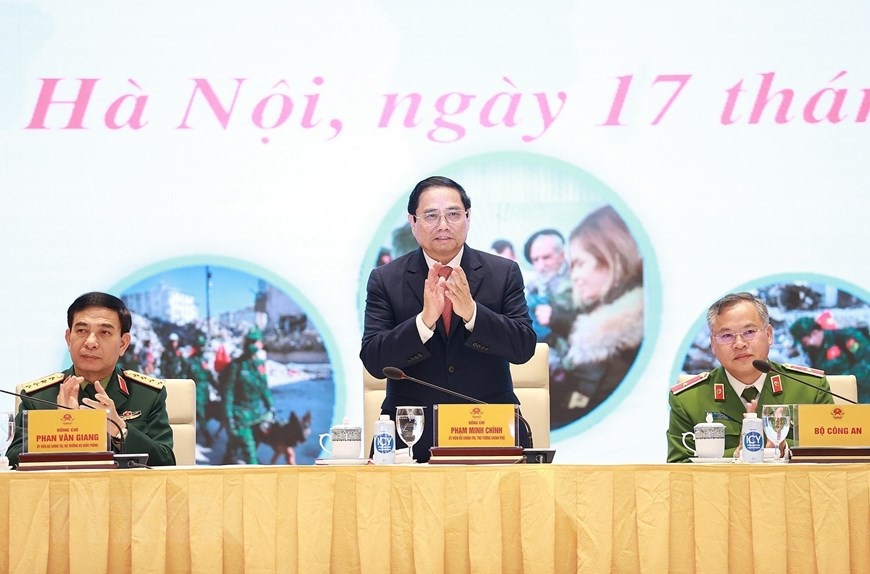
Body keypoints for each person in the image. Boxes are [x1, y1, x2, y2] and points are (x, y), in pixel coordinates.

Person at [360, 176, 537, 462]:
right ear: (413, 222)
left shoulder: (503, 273)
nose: (443, 225)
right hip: (411, 436)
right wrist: (424, 322)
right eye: (431, 216)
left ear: (468, 218)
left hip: (487, 430)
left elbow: (523, 347)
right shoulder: (386, 279)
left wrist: (472, 313)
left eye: (453, 214)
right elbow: (373, 360)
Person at [7, 292, 176, 467]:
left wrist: (119, 429)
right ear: (68, 338)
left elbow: (165, 462)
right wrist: (61, 429)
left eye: (104, 332)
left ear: (123, 344)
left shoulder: (148, 395)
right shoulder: (37, 397)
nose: (90, 342)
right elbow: (11, 461)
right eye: (82, 331)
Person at [667, 292, 835, 463]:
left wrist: (784, 450)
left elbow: (834, 456)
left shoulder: (810, 389)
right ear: (713, 345)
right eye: (726, 336)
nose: (739, 344)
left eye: (749, 332)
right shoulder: (687, 400)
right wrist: (736, 457)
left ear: (769, 334)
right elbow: (677, 469)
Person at [552, 206, 643, 428]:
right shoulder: (603, 321)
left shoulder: (613, 338)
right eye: (571, 267)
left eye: (580, 264)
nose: (574, 276)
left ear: (613, 259)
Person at [221, 327, 275, 464]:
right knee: (249, 451)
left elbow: (263, 387)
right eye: (251, 342)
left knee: (242, 444)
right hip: (240, 415)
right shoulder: (236, 365)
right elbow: (228, 393)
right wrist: (229, 417)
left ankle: (227, 460)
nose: (256, 345)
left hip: (256, 415)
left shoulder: (260, 365)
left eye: (256, 341)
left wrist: (270, 406)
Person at [789, 316, 870, 402]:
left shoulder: (845, 337)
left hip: (863, 393)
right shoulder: (813, 351)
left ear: (814, 333)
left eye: (805, 342)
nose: (805, 346)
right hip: (839, 397)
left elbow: (866, 362)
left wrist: (843, 381)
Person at [523, 229, 575, 346]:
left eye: (546, 257)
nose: (541, 266)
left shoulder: (580, 281)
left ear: (562, 256)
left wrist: (556, 318)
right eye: (535, 260)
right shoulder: (532, 288)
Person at [184, 334, 217, 445]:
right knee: (201, 415)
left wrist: (218, 388)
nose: (201, 349)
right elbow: (184, 378)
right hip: (195, 392)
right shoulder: (189, 362)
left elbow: (210, 377)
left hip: (205, 393)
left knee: (203, 415)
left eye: (203, 346)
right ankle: (208, 438)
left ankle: (194, 432)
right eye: (199, 346)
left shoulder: (205, 361)